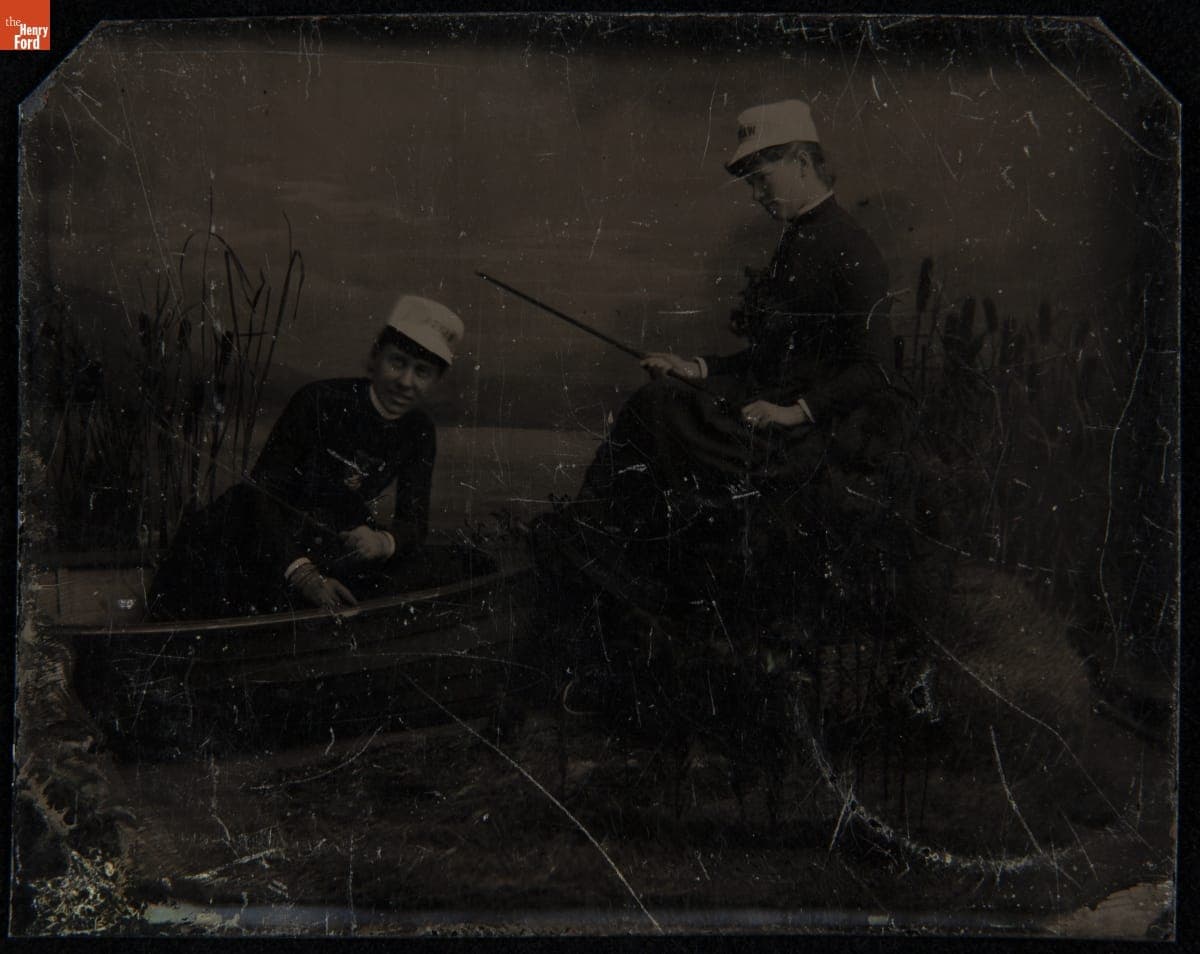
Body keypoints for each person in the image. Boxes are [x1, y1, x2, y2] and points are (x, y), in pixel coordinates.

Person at [565, 99, 922, 649]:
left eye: (762, 180)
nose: (757, 196)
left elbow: (876, 369)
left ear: (803, 163)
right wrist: (696, 368)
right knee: (662, 394)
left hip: (800, 440)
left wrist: (794, 412)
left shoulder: (851, 248)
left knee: (654, 410)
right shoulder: (797, 241)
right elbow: (770, 359)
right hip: (764, 419)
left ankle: (596, 537)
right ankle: (611, 546)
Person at [147, 295, 464, 620]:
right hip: (252, 534)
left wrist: (383, 541)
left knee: (454, 563)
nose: (405, 382)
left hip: (321, 541)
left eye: (422, 372)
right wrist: (304, 575)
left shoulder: (419, 430)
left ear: (436, 381)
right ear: (374, 357)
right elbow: (262, 495)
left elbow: (414, 521)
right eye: (396, 363)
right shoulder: (319, 401)